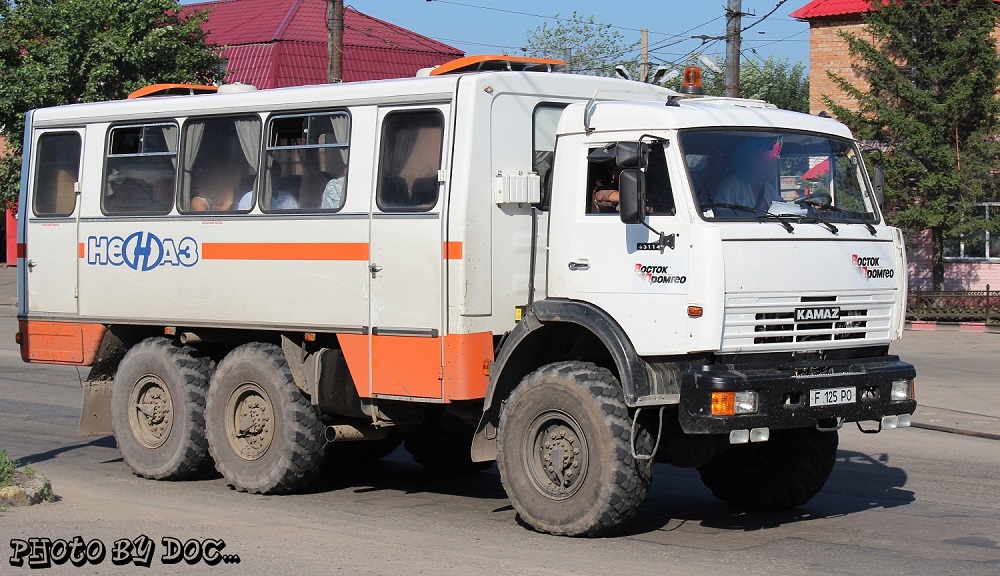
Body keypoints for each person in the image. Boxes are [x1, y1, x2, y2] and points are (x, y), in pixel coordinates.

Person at [715, 138, 783, 212]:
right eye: (761, 161)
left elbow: (781, 209)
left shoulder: (768, 188)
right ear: (749, 162)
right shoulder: (732, 186)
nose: (766, 166)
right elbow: (720, 213)